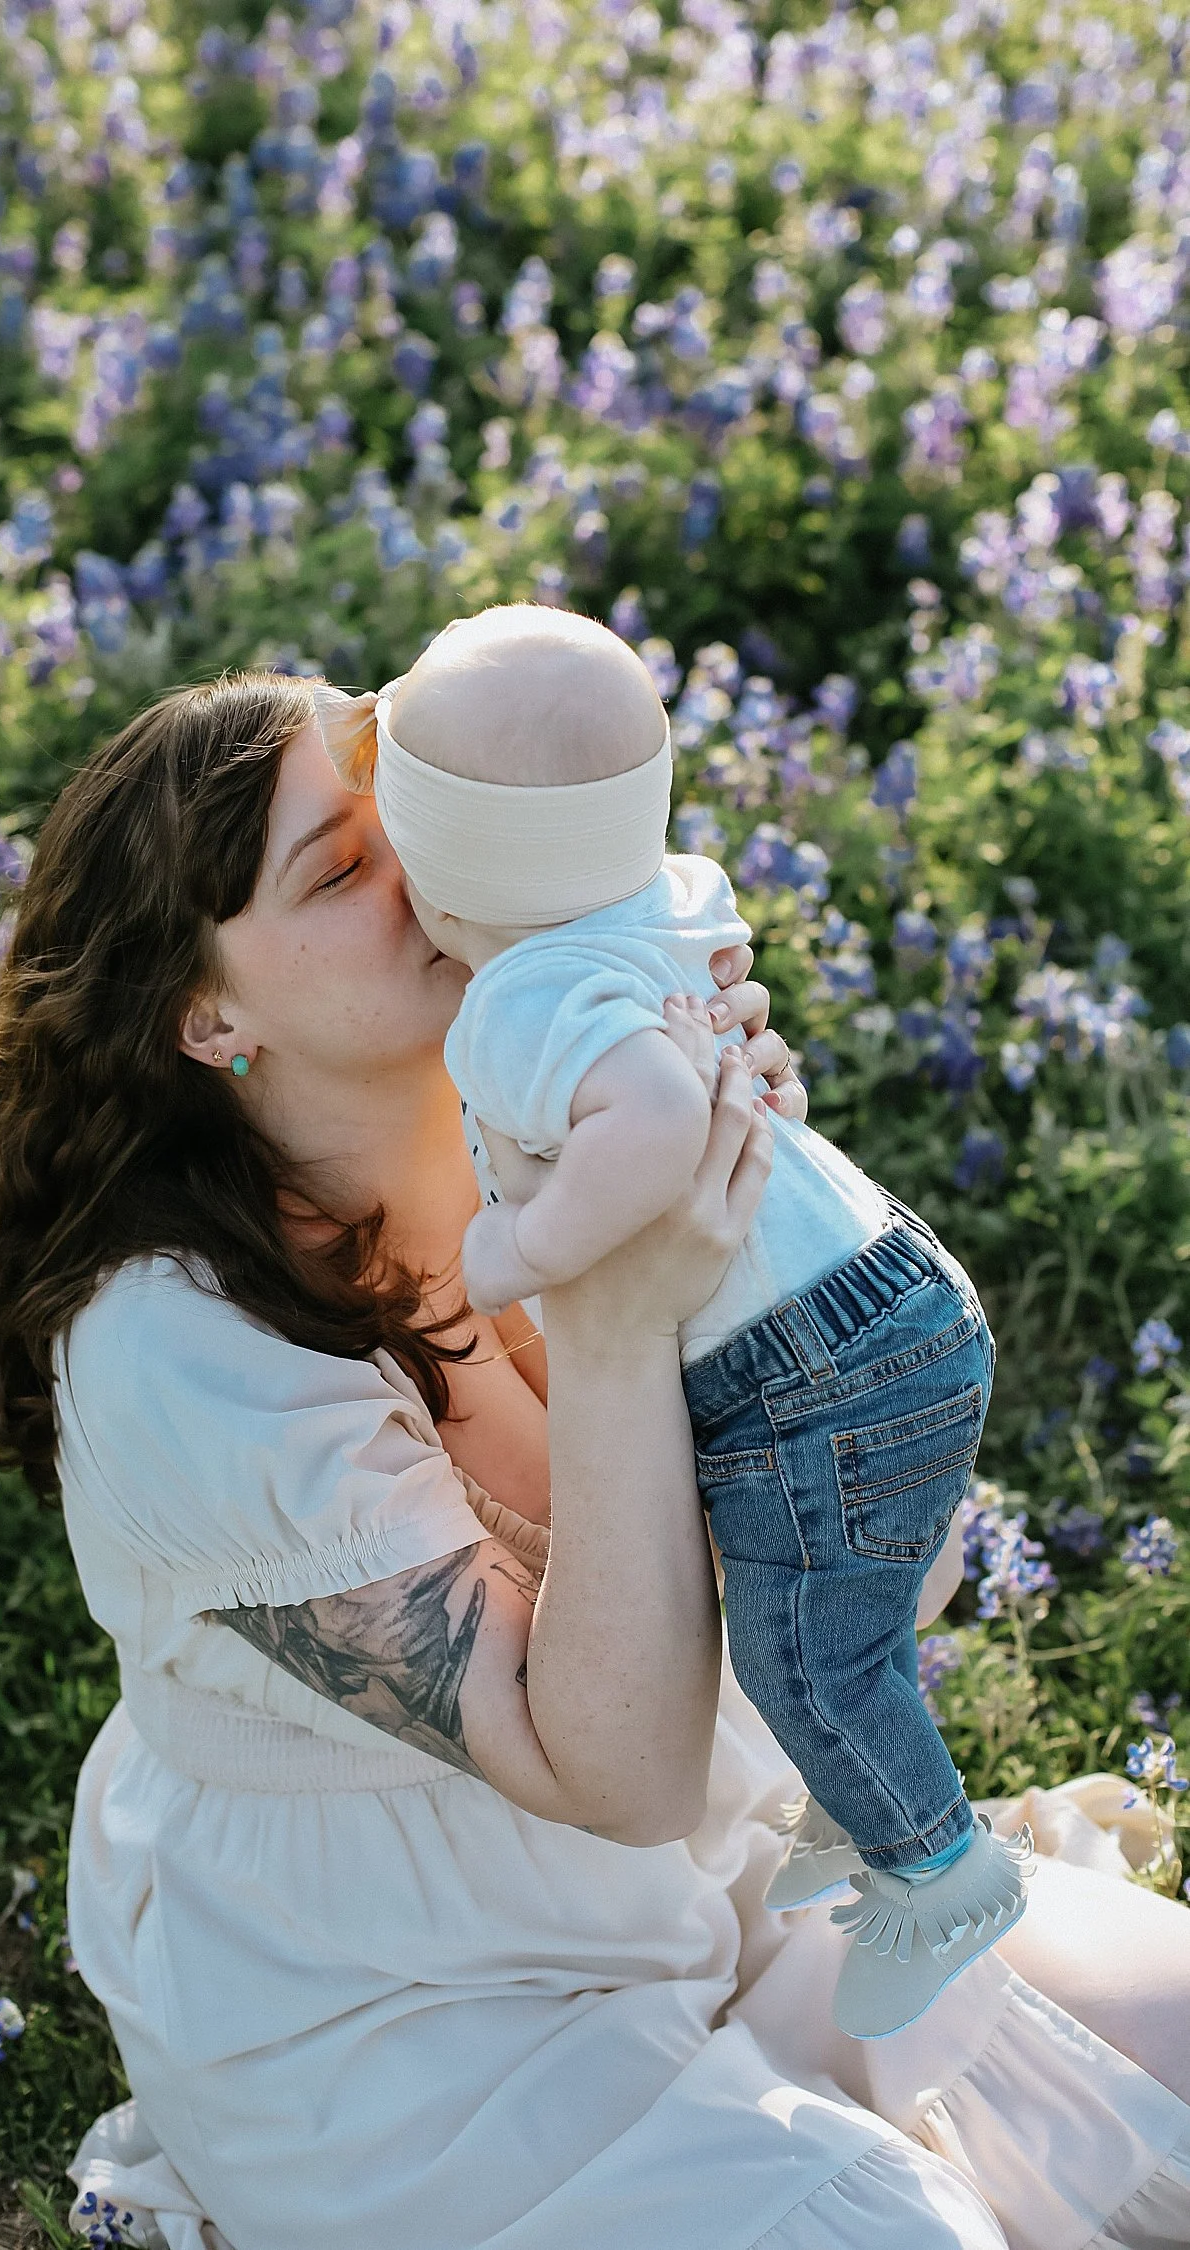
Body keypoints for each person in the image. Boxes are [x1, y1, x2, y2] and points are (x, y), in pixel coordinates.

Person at [0, 671, 1190, 2250]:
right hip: (410, 2021)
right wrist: (616, 1324)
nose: (420, 877)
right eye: (339, 869)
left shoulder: (547, 1082)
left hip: (721, 1887)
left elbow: (897, 1576)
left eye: (412, 829)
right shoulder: (176, 1350)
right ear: (208, 1013)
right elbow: (621, 1772)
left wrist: (769, 1230)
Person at [307, 604, 1026, 2044]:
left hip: (814, 1356)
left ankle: (941, 1866)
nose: (383, 870)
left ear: (451, 876)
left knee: (807, 1656)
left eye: (378, 842)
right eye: (335, 865)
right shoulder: (656, 898)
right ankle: (857, 1794)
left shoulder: (521, 1000)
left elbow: (644, 1115)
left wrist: (536, 1241)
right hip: (885, 1288)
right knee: (820, 1612)